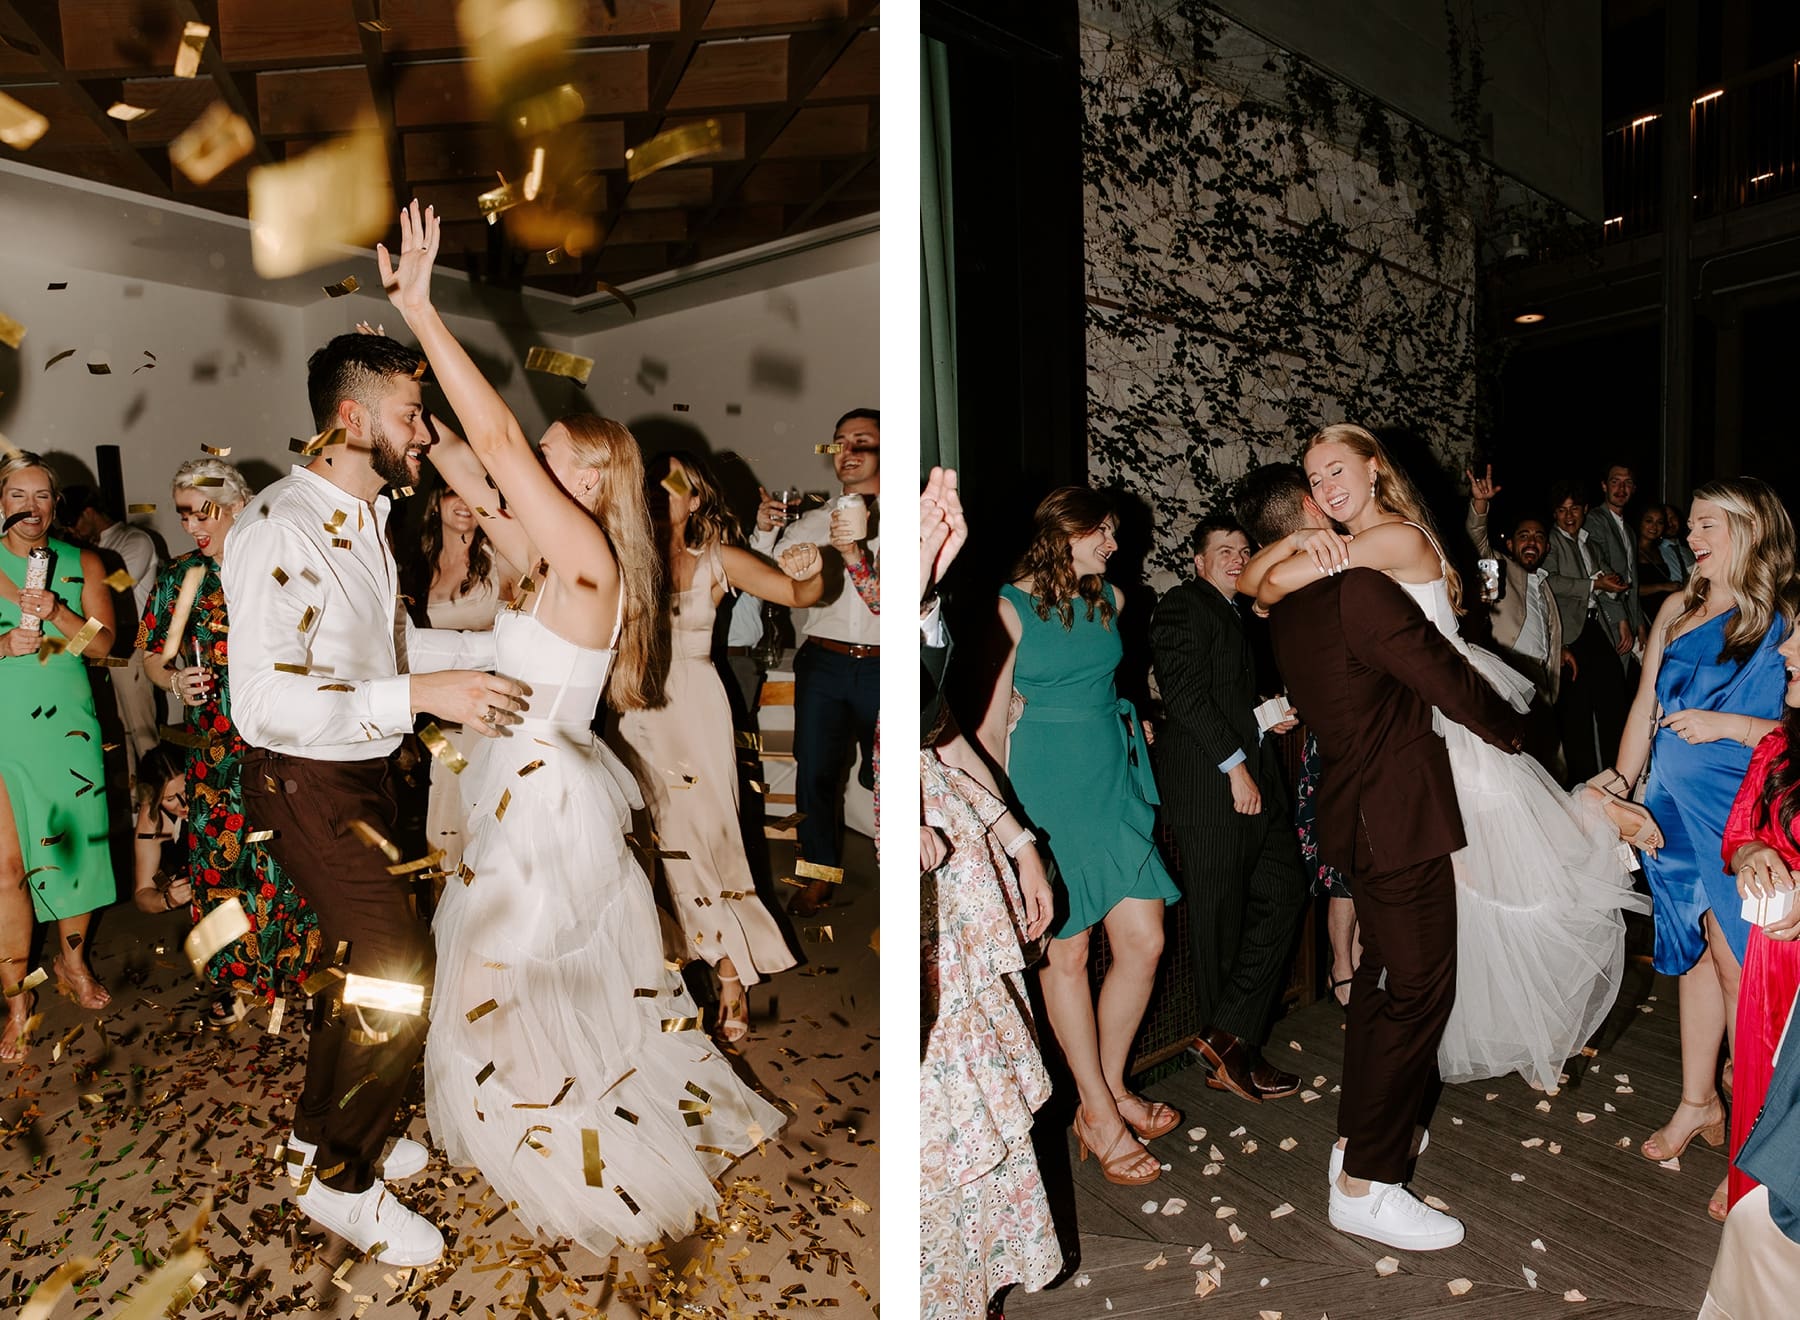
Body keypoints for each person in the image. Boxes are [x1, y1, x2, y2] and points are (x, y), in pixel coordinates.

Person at [383, 199, 783, 1254]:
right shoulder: (543, 560)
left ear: (596, 478)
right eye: (546, 452)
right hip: (518, 777)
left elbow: (499, 441)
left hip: (544, 795)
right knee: (510, 978)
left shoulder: (592, 561)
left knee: (494, 977)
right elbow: (480, 467)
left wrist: (426, 314)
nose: (538, 460)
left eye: (561, 453)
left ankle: (562, 1140)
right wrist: (424, 428)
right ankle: (538, 1108)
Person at [224, 326, 524, 1264]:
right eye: (409, 414)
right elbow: (263, 702)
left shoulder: (367, 519)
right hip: (304, 778)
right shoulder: (279, 524)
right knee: (400, 973)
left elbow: (384, 655)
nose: (425, 433)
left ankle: (319, 1134)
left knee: (370, 969)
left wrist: (498, 652)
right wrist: (422, 697)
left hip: (360, 774)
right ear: (351, 420)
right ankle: (342, 1186)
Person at [1241, 426, 1647, 1094]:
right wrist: (1296, 537)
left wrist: (1295, 551)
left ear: (1374, 469)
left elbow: (1265, 591)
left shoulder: (1394, 538)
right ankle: (1456, 1042)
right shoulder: (1347, 545)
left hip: (1446, 717)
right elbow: (1261, 593)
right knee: (1470, 895)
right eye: (1315, 481)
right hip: (1412, 717)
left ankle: (1594, 813)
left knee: (1515, 881)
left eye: (1338, 471)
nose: (1328, 489)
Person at [1236, 461, 1530, 1252]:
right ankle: (1368, 1184)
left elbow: (1263, 590)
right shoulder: (1355, 591)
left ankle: (1358, 1142)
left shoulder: (1288, 609)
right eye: (1317, 486)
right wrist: (1517, 736)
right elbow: (1443, 678)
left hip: (1362, 816)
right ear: (1303, 512)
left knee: (1379, 984)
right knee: (1418, 992)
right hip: (1398, 819)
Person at [1599, 477, 1795, 1221]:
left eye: (1710, 524)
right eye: (1692, 525)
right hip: (1671, 811)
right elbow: (1644, 706)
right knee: (1693, 954)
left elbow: (1794, 733)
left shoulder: (1784, 615)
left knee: (1745, 970)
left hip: (1744, 813)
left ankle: (1754, 1143)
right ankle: (1697, 1102)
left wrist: (1730, 728)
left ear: (1752, 528)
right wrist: (1619, 787)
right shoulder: (1677, 608)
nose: (1693, 536)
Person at [975, 487, 1182, 1187]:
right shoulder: (1008, 608)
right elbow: (989, 729)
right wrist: (1006, 829)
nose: (1115, 546)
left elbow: (1106, 682)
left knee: (1145, 943)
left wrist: (1134, 719)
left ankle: (1111, 1085)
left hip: (1110, 784)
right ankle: (1097, 1110)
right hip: (1043, 790)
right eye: (1105, 533)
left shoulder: (1110, 601)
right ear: (1065, 533)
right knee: (1067, 956)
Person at [610, 450, 822, 1042]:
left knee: (709, 837)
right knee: (650, 844)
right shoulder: (620, 560)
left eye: (671, 484)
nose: (657, 491)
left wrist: (812, 565)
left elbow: (800, 595)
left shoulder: (718, 560)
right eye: (647, 483)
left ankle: (731, 971)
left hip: (696, 708)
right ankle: (664, 969)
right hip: (633, 711)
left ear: (695, 499)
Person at [918, 467, 1059, 1319]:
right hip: (916, 880)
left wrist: (1019, 840)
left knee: (966, 1091)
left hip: (957, 862)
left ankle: (971, 1288)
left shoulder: (926, 606)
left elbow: (940, 736)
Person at [140, 458, 321, 1011]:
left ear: (240, 506)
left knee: (287, 856)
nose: (193, 526)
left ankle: (298, 969)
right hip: (213, 746)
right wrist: (173, 679)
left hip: (281, 738)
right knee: (221, 864)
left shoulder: (281, 564)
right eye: (183, 514)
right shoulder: (180, 578)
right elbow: (151, 654)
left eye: (205, 512)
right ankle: (239, 979)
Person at [1149, 514, 1306, 1101]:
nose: (1237, 558)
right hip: (1212, 789)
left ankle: (1227, 1035)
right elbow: (1184, 692)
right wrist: (1235, 766)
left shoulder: (1233, 615)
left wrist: (1266, 716)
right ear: (1198, 561)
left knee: (1285, 888)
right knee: (1218, 924)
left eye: (1244, 550)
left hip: (1249, 782)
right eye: (1223, 550)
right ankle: (1229, 1060)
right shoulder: (1184, 604)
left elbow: (1220, 698)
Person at [1, 450, 117, 1059]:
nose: (30, 507)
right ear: (1, 503)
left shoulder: (83, 561)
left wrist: (58, 612)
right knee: (6, 873)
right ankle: (18, 1001)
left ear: (55, 503)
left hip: (66, 731)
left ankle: (73, 966)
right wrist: (4, 644)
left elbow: (101, 648)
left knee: (70, 857)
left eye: (42, 495)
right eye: (18, 496)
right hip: (3, 731)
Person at [750, 411, 880, 916]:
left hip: (885, 668)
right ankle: (819, 875)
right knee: (815, 774)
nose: (846, 451)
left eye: (861, 442)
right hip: (821, 664)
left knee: (889, 778)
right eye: (839, 442)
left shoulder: (911, 520)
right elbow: (761, 578)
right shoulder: (809, 520)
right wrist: (763, 533)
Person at [394, 481, 516, 877]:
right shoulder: (416, 568)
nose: (464, 502)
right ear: (436, 502)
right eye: (452, 492)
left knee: (492, 823)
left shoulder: (503, 560)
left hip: (493, 716)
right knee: (447, 817)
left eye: (473, 492)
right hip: (438, 724)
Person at [1721, 620, 1800, 1214]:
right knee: (1761, 1079)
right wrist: (1751, 851)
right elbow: (1739, 828)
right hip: (1770, 955)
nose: (1784, 649)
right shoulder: (1780, 744)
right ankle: (1753, 1194)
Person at [64, 485, 163, 769]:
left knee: (142, 732)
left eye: (73, 524)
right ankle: (132, 804)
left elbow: (115, 589)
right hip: (98, 647)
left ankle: (160, 802)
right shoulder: (86, 550)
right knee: (113, 733)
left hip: (131, 645)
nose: (72, 532)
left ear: (89, 512)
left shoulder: (135, 540)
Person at [1544, 479, 1634, 782]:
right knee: (1576, 715)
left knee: (1613, 702)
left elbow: (1608, 585)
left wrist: (1620, 615)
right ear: (1554, 514)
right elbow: (1550, 582)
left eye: (1574, 509)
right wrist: (1595, 585)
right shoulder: (1551, 542)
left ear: (1585, 510)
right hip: (1570, 634)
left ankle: (1614, 779)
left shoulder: (1590, 544)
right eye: (1561, 510)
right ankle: (1582, 785)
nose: (1569, 516)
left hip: (1598, 627)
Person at [1464, 468, 1571, 709]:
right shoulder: (1498, 565)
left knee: (1544, 746)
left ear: (1547, 548)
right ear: (1511, 544)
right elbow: (1476, 538)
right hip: (1508, 670)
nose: (1532, 542)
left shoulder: (1545, 587)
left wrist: (1559, 651)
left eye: (1539, 537)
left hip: (1542, 678)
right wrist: (1480, 502)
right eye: (1524, 536)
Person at [1588, 462, 1647, 666]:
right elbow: (1599, 568)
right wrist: (1621, 618)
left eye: (1627, 483)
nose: (1621, 489)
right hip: (1608, 613)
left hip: (1628, 613)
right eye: (1615, 482)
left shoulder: (1629, 530)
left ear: (1634, 489)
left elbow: (1633, 580)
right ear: (1604, 486)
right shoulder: (1595, 519)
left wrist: (1639, 623)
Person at [131, 742, 193, 914]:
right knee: (161, 876)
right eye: (171, 798)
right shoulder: (151, 818)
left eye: (186, 790)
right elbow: (142, 894)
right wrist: (167, 900)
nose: (184, 804)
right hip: (177, 873)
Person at [1634, 504, 1681, 606]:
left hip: (1661, 610)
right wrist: (1663, 586)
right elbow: (1628, 589)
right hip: (1640, 613)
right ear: (1639, 522)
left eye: (1660, 522)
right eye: (1649, 521)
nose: (1654, 526)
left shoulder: (1659, 550)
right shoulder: (1630, 550)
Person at [1662, 502, 1698, 580]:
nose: (1670, 523)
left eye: (1673, 518)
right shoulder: (1655, 551)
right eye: (1665, 519)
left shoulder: (1688, 550)